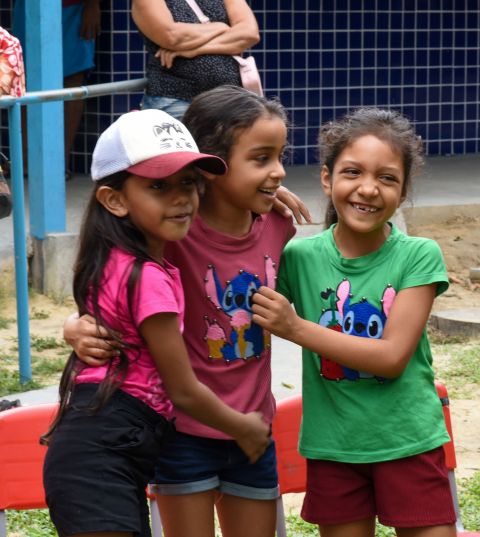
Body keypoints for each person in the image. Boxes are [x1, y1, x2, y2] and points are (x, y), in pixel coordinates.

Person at [64, 85, 307, 537]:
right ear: (210, 168)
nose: (278, 171)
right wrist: (74, 326)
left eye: (279, 156)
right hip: (182, 431)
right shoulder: (172, 234)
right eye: (261, 158)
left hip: (255, 424)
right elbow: (115, 288)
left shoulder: (278, 224)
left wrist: (262, 183)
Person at [251, 108, 457, 537]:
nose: (368, 189)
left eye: (386, 178)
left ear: (403, 192)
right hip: (334, 449)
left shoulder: (418, 255)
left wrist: (296, 329)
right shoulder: (298, 257)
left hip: (409, 442)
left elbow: (392, 357)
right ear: (326, 179)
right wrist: (258, 196)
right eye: (352, 172)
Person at [12, 0, 100, 179]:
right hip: (30, 8)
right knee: (25, 77)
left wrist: (92, 5)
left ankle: (59, 163)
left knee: (72, 80)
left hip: (75, 7)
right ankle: (26, 162)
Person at [132, 0, 260, 119]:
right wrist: (219, 27)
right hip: (176, 100)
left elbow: (249, 34)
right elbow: (172, 36)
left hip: (230, 99)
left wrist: (193, 50)